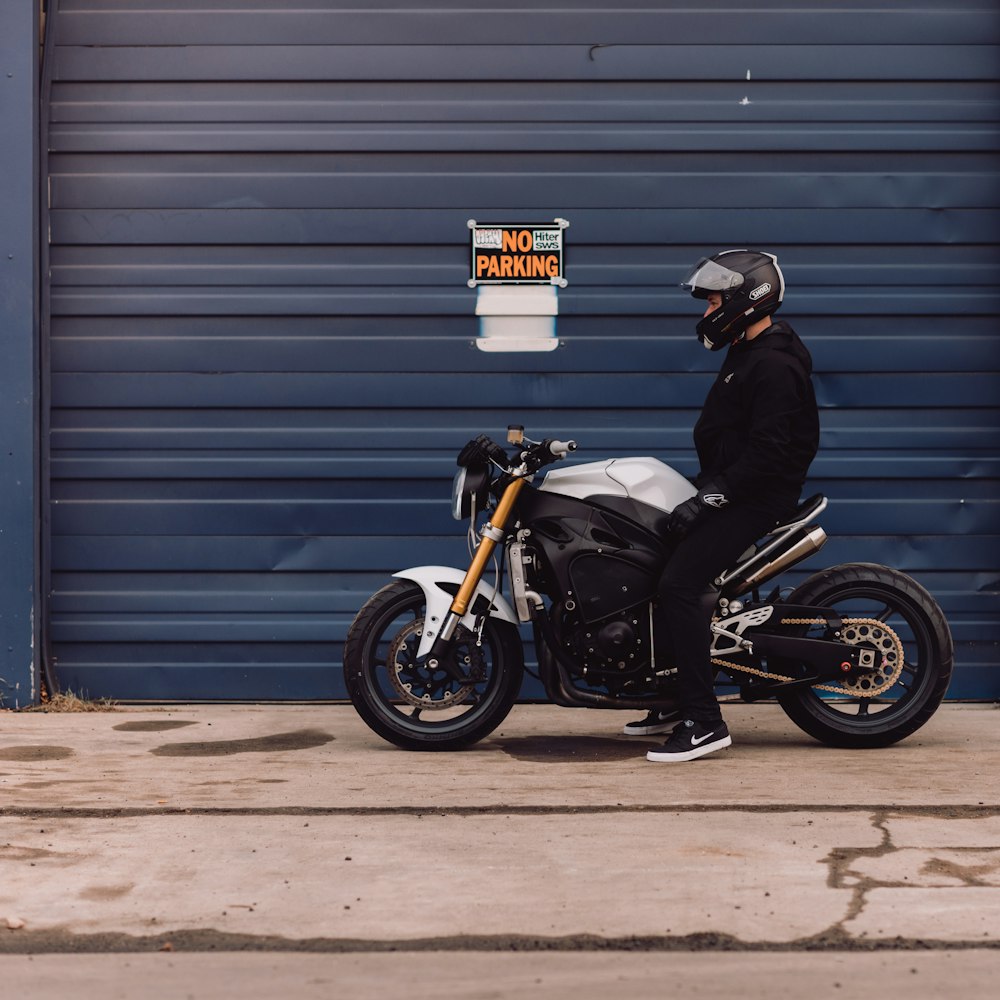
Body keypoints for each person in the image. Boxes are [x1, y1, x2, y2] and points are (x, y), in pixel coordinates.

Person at [624, 249, 820, 762]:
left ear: (744, 298)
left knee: (679, 585)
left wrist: (712, 497)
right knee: (653, 567)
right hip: (733, 487)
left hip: (755, 498)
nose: (707, 312)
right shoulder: (748, 348)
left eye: (714, 301)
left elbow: (769, 454)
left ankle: (704, 721)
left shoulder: (775, 362)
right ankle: (674, 697)